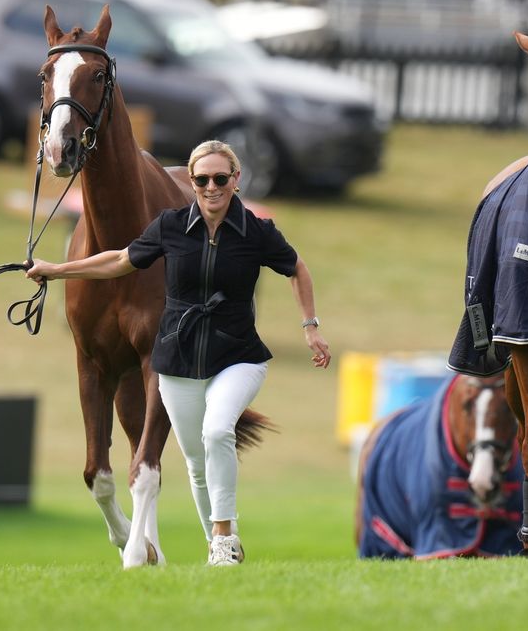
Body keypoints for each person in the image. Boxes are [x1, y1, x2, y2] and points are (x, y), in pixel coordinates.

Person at [26, 140, 331, 566]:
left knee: (218, 430)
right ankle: (220, 546)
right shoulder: (170, 226)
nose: (211, 187)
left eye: (221, 179)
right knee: (195, 460)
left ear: (235, 180)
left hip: (238, 357)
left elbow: (296, 267)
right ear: (191, 182)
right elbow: (119, 260)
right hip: (179, 362)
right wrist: (58, 270)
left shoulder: (257, 231)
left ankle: (224, 539)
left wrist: (310, 326)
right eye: (202, 180)